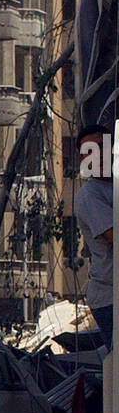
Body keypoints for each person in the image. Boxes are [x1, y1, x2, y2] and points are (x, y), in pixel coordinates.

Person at [74, 127, 114, 351]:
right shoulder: (90, 195)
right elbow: (113, 236)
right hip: (109, 297)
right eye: (89, 151)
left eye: (101, 147)